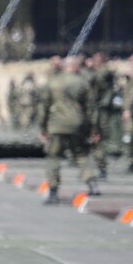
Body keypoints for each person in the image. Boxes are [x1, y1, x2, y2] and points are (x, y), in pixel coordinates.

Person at [40, 56, 99, 204]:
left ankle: (53, 192)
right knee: (81, 154)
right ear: (76, 67)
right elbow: (91, 108)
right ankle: (91, 183)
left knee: (53, 157)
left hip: (56, 125)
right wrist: (93, 128)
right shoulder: (83, 83)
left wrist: (43, 126)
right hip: (77, 124)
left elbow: (43, 107)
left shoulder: (52, 82)